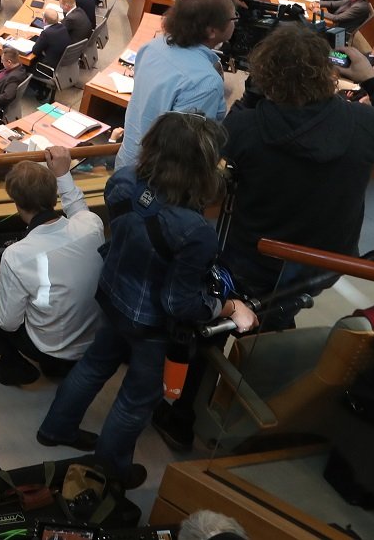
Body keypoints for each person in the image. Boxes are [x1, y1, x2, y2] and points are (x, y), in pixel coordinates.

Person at [151, 27, 374, 453]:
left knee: (210, 326)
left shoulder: (249, 125)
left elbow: (220, 143)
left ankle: (180, 416)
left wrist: (251, 95)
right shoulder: (362, 122)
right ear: (327, 75)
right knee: (273, 314)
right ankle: (263, 394)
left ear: (264, 74)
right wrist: (371, 80)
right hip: (322, 266)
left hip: (248, 261)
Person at [39, 113, 257, 488]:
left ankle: (56, 428)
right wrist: (229, 307)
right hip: (151, 326)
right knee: (135, 400)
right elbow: (179, 303)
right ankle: (109, 472)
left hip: (113, 295)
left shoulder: (122, 182)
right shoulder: (196, 231)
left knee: (94, 364)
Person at [0, 147, 103, 386]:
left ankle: (12, 364)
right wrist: (63, 174)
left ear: (17, 203)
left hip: (47, 347)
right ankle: (57, 366)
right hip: (90, 342)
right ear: (54, 195)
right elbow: (77, 205)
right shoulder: (91, 225)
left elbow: (6, 321)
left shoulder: (17, 256)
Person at [113, 0, 234, 172]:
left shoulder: (152, 46)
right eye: (233, 19)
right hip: (156, 182)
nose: (235, 22)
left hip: (126, 161)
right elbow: (186, 150)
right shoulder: (205, 82)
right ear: (212, 31)